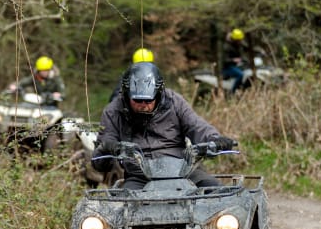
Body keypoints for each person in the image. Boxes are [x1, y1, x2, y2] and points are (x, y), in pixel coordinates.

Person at [93, 62, 236, 190]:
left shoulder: (174, 102)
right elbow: (99, 161)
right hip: (139, 178)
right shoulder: (113, 112)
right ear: (126, 94)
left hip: (184, 171)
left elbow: (197, 126)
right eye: (137, 100)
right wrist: (109, 147)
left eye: (149, 100)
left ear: (158, 94)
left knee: (217, 193)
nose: (143, 105)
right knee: (122, 207)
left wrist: (216, 140)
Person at [222, 28, 247, 95]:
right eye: (239, 40)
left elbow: (247, 48)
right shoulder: (227, 47)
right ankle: (232, 93)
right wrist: (233, 60)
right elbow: (224, 60)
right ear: (235, 39)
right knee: (240, 75)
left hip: (235, 65)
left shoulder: (238, 45)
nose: (240, 41)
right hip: (227, 67)